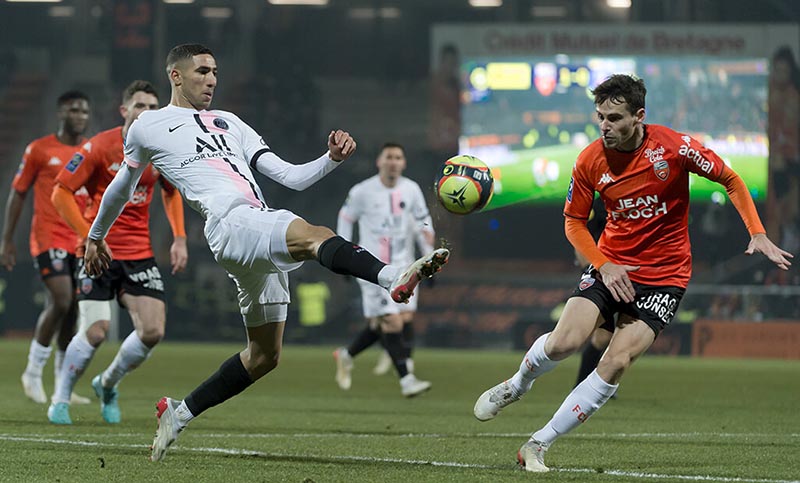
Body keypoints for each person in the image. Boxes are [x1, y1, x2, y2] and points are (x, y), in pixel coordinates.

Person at [82, 43, 449, 462]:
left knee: (264, 356)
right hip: (230, 222)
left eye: (216, 71)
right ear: (176, 76)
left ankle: (178, 414)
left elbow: (291, 177)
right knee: (316, 234)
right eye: (202, 71)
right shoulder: (149, 125)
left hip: (254, 224)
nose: (212, 79)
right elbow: (122, 187)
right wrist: (96, 236)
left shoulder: (232, 122)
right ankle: (392, 276)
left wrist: (329, 159)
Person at [473, 74, 792, 472]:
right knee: (564, 343)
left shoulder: (674, 148)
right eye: (600, 116)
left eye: (614, 117)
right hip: (611, 266)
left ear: (639, 116)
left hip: (666, 275)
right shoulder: (590, 160)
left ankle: (538, 444)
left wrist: (757, 233)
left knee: (616, 362)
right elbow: (573, 222)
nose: (604, 125)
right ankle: (517, 385)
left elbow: (730, 178)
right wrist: (604, 265)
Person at [47, 80, 188, 425]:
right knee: (96, 331)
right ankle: (60, 398)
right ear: (125, 111)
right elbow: (60, 193)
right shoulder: (101, 147)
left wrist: (180, 237)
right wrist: (89, 237)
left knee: (152, 331)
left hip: (139, 253)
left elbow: (170, 191)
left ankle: (107, 384)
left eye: (155, 108)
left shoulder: (162, 149)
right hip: (98, 251)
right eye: (141, 106)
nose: (148, 113)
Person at [1, 90, 92, 405]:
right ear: (61, 112)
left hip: (79, 239)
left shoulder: (89, 151)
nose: (80, 116)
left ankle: (62, 387)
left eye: (84, 111)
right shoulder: (39, 150)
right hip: (47, 235)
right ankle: (32, 372)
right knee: (61, 298)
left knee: (75, 308)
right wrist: (7, 239)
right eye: (74, 110)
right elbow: (18, 193)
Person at [333, 142, 435, 397]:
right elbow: (346, 218)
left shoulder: (411, 190)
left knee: (396, 321)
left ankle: (347, 355)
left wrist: (428, 256)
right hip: (372, 268)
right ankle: (406, 379)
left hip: (405, 264)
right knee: (391, 321)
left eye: (398, 157)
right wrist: (343, 256)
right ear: (379, 161)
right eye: (388, 156)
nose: (393, 161)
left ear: (404, 163)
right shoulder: (362, 191)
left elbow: (423, 220)